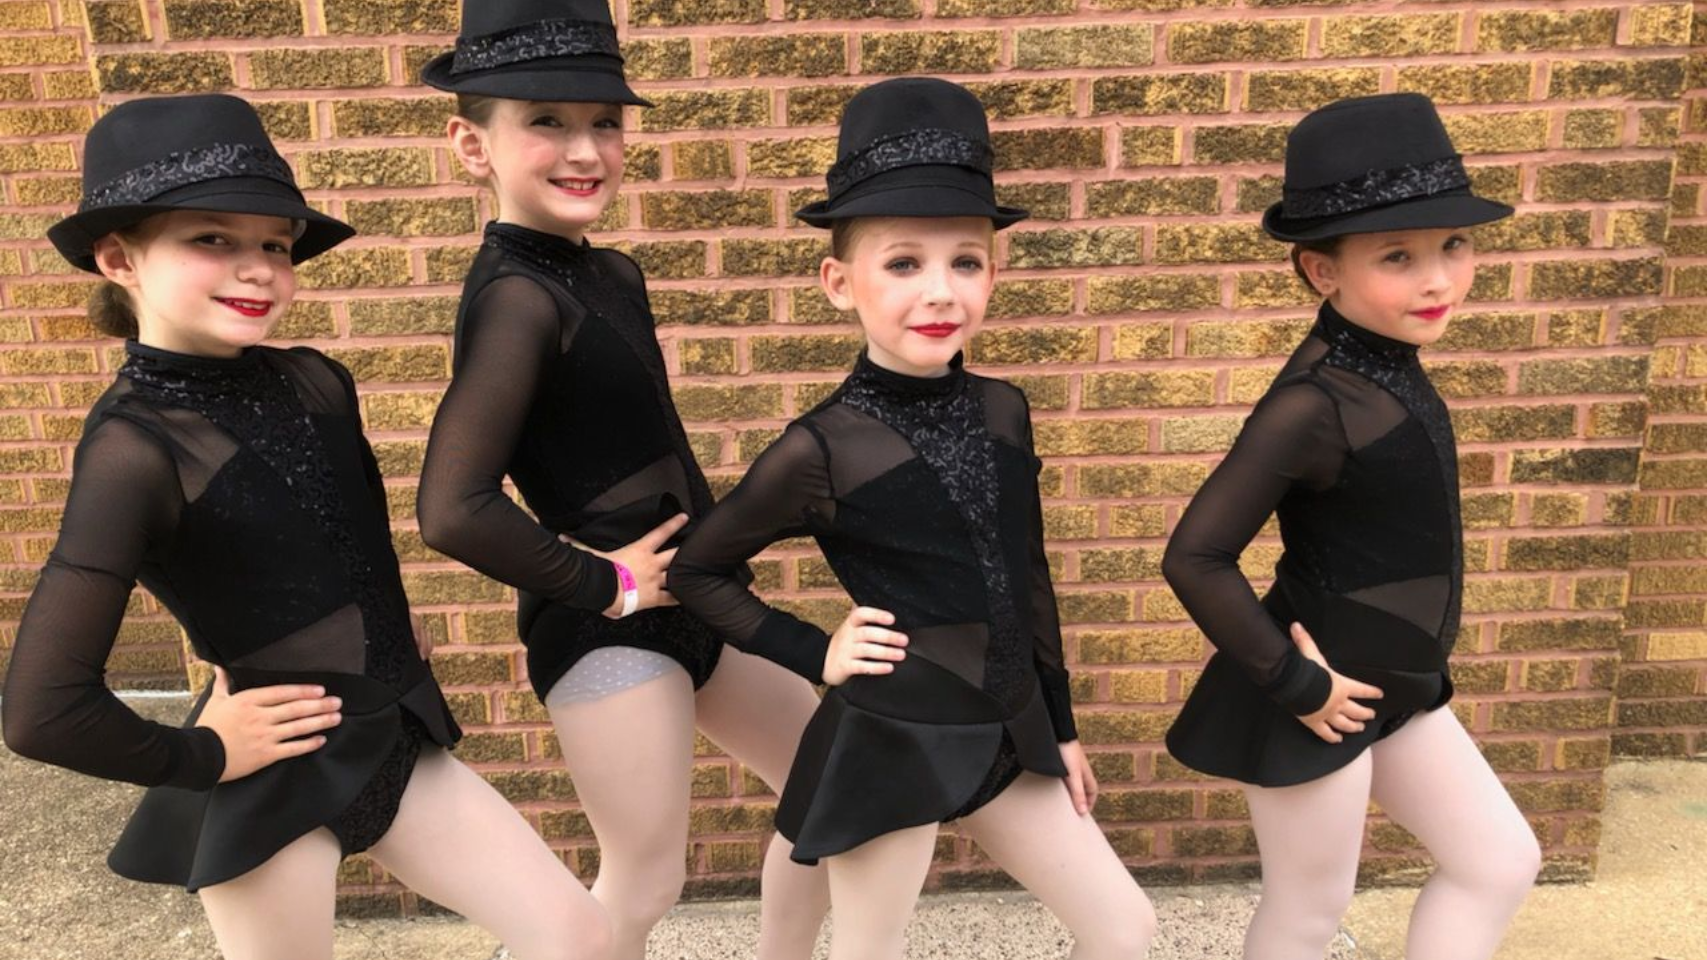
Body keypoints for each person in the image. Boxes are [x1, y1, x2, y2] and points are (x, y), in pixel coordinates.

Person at [2, 94, 610, 960]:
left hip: (391, 738)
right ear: (117, 257)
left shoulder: (317, 382)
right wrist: (205, 755)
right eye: (211, 238)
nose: (256, 269)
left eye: (274, 246)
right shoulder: (133, 450)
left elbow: (342, 540)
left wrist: (387, 635)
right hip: (266, 781)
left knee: (580, 934)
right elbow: (41, 712)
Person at [670, 77, 1157, 960]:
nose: (940, 291)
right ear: (837, 281)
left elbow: (1025, 577)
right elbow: (700, 568)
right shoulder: (820, 447)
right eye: (903, 263)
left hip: (1010, 726)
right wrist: (812, 650)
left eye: (964, 261)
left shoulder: (1005, 408)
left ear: (992, 272)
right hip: (897, 735)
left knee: (1124, 928)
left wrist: (1064, 725)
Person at [413, 3, 828, 957]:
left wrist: (722, 555)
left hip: (695, 600)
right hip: (604, 628)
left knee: (836, 785)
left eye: (605, 121)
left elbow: (666, 449)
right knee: (641, 883)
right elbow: (451, 509)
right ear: (472, 145)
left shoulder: (612, 277)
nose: (586, 147)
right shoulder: (516, 298)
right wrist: (605, 583)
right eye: (546, 121)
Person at [1161, 92, 1542, 960]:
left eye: (1452, 245)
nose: (1437, 278)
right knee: (1307, 909)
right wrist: (1298, 684)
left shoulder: (1391, 365)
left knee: (1497, 860)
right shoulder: (1312, 403)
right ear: (1319, 271)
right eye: (1397, 256)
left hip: (1399, 687)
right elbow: (1194, 556)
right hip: (1318, 698)